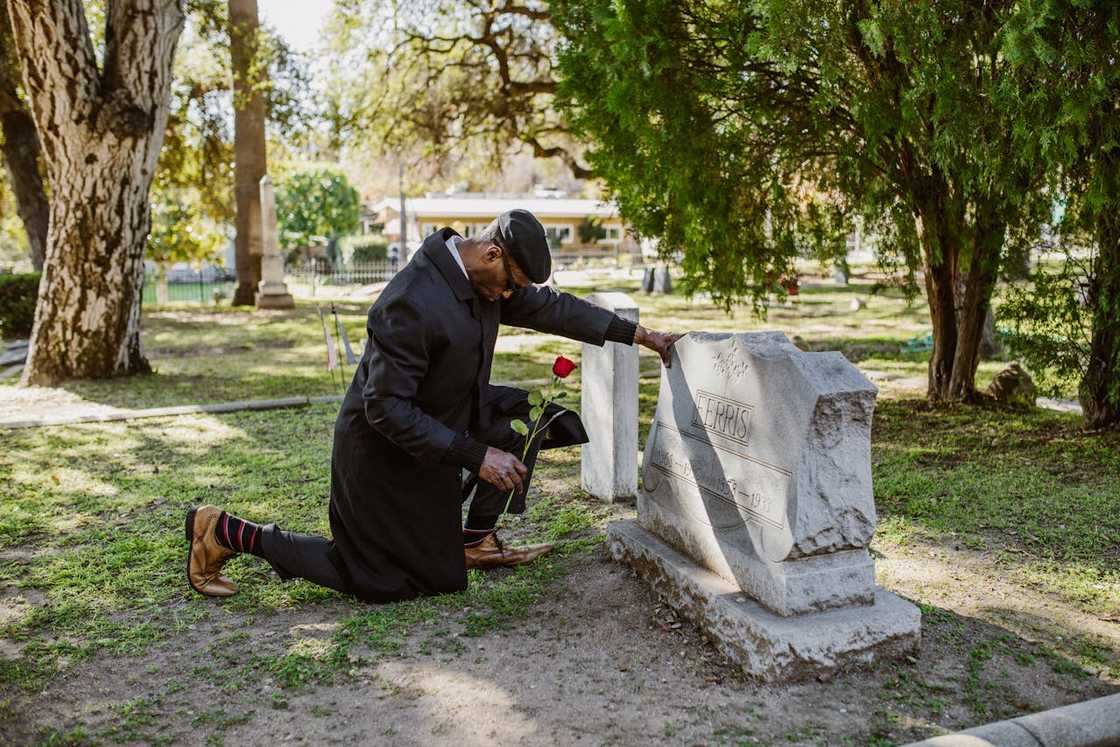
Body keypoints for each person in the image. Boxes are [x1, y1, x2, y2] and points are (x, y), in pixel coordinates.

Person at [185, 209, 680, 603]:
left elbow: (552, 307)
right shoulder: (411, 302)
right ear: (491, 254)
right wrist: (477, 455)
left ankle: (475, 540)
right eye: (511, 285)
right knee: (381, 580)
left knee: (531, 419)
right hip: (385, 452)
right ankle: (223, 531)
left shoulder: (483, 279)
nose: (511, 297)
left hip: (447, 418)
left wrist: (637, 334)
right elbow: (384, 408)